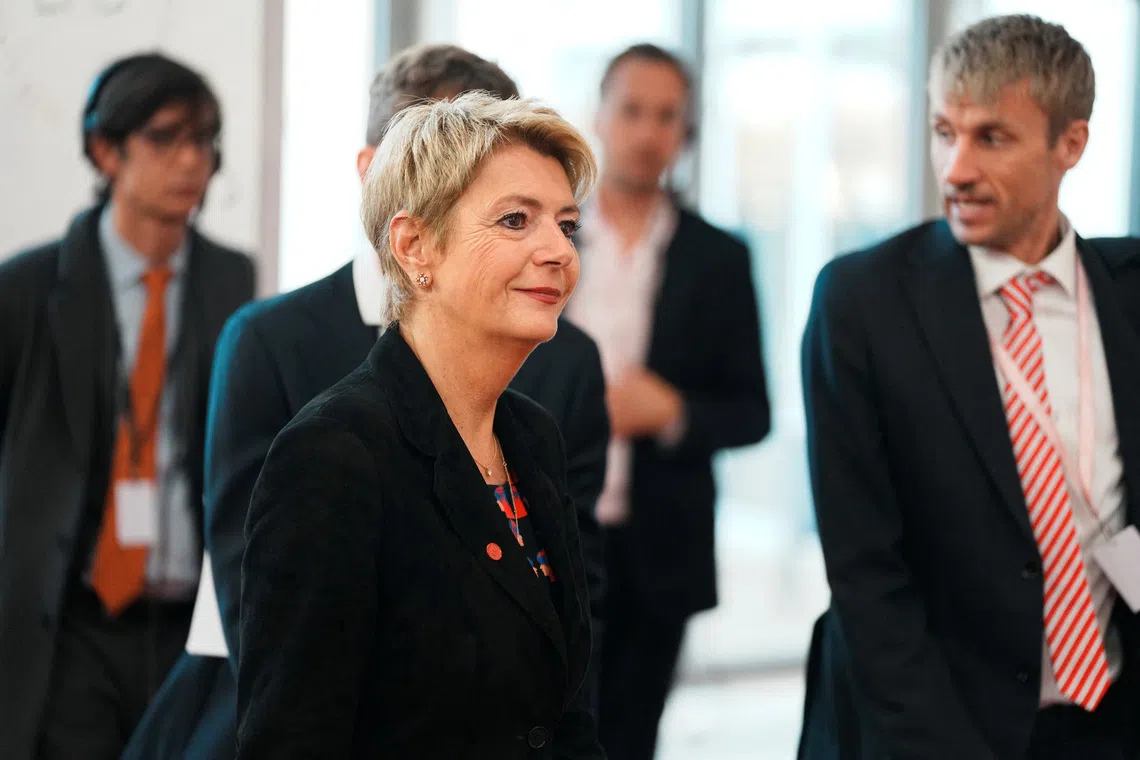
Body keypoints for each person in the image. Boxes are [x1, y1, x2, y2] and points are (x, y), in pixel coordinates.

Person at [122, 43, 608, 759]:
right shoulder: (332, 452)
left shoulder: (531, 436)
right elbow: (294, 732)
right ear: (414, 246)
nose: (559, 251)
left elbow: (563, 703)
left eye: (566, 225)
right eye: (515, 220)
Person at [799, 14, 1140, 760]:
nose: (955, 169)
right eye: (944, 132)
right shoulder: (862, 304)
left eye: (992, 137)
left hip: (1107, 726)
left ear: (1070, 144)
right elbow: (867, 576)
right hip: (926, 731)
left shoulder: (1128, 293)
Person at [0, 53, 255, 760]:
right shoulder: (26, 290)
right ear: (105, 151)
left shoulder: (232, 281)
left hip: (189, 626)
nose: (191, 161)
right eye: (165, 137)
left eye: (204, 140)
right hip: (69, 622)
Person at [571, 43, 770, 760]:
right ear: (599, 116)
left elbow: (753, 411)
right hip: (551, 529)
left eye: (667, 116)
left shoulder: (719, 257)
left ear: (686, 131)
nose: (648, 132)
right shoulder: (549, 237)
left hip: (659, 546)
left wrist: (672, 412)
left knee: (631, 738)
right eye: (632, 110)